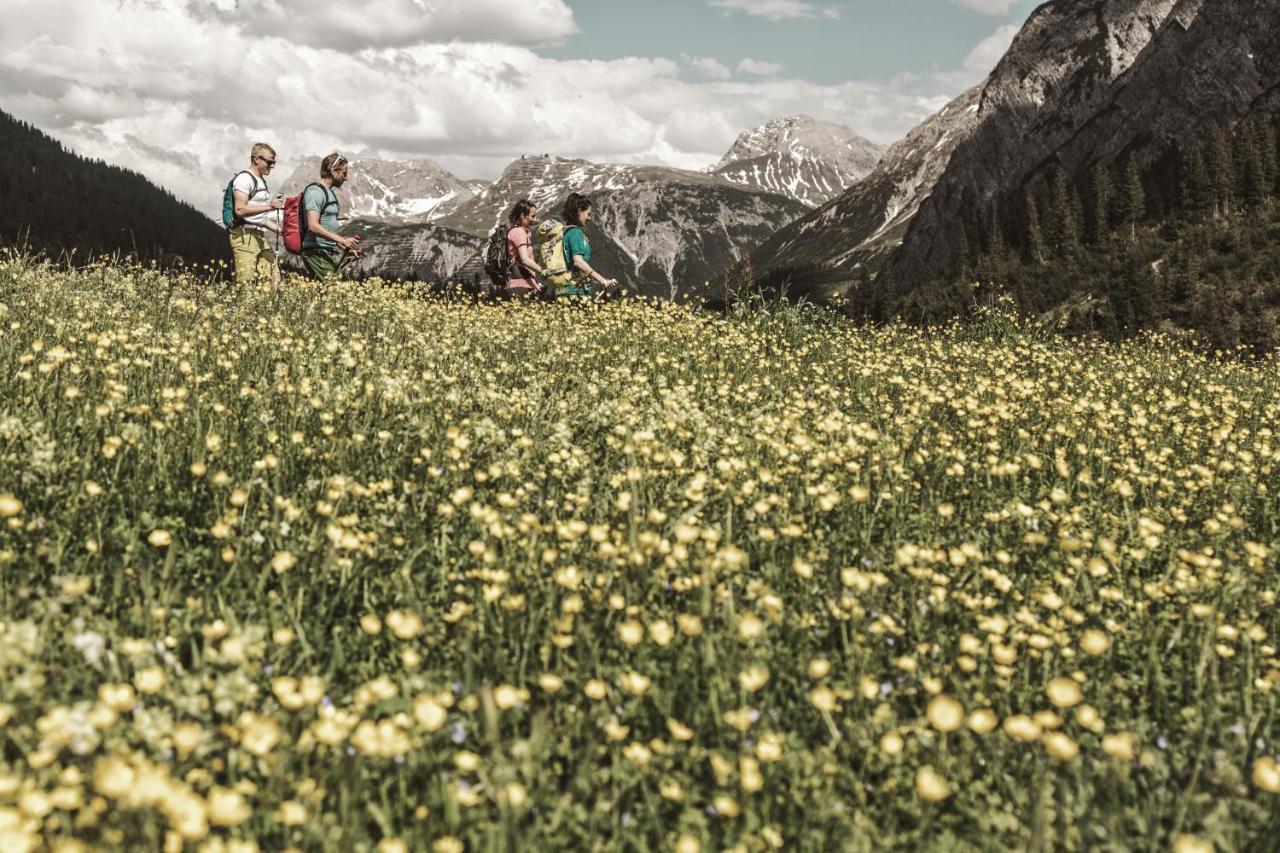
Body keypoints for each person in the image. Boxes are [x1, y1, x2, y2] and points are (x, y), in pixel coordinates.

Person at [301, 152, 362, 281]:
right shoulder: (315, 192)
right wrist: (342, 240)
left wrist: (345, 248)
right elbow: (312, 225)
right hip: (316, 252)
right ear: (334, 171)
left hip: (325, 251)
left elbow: (326, 227)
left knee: (330, 294)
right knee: (335, 292)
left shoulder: (328, 192)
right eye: (344, 173)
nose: (346, 178)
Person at [229, 143, 284, 285]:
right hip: (244, 236)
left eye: (274, 163)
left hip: (259, 236)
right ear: (256, 159)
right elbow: (240, 209)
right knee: (245, 283)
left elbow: (260, 218)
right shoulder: (244, 179)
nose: (271, 166)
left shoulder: (261, 181)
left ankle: (265, 306)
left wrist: (281, 230)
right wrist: (270, 206)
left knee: (274, 279)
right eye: (269, 162)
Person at [559, 192, 617, 298]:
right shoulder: (575, 232)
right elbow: (578, 262)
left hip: (565, 285)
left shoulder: (566, 230)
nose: (589, 218)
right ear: (579, 211)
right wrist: (602, 280)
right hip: (574, 288)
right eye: (588, 214)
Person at [505, 199, 544, 296]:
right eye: (532, 216)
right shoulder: (519, 232)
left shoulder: (517, 231)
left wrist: (534, 284)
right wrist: (544, 272)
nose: (534, 219)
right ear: (522, 216)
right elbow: (525, 260)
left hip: (521, 281)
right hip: (520, 283)